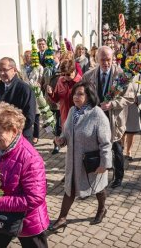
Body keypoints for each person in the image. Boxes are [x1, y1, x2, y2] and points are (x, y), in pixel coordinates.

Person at [0, 102, 49, 248]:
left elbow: (34, 198)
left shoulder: (30, 158)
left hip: (29, 220)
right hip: (1, 216)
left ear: (13, 130)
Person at [48, 81, 113, 232]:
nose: (76, 97)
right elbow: (67, 134)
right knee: (69, 188)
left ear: (89, 96)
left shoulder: (97, 114)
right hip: (73, 161)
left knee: (98, 187)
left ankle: (102, 209)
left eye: (80, 94)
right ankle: (62, 218)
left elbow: (106, 143)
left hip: (91, 162)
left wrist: (104, 163)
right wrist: (61, 140)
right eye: (75, 94)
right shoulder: (72, 111)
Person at [81, 46, 135, 188]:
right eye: (102, 60)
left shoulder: (122, 75)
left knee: (116, 149)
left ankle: (118, 177)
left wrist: (113, 104)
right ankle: (95, 177)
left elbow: (129, 98)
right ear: (96, 59)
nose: (106, 63)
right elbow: (83, 96)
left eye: (108, 59)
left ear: (113, 58)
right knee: (95, 148)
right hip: (95, 119)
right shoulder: (88, 76)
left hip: (114, 119)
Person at [0, 57, 36, 143]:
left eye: (5, 70)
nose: (1, 73)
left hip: (20, 137)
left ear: (14, 70)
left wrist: (11, 131)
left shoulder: (24, 89)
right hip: (2, 138)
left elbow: (29, 118)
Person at [46, 58, 82, 127]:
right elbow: (56, 99)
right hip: (64, 117)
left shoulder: (80, 81)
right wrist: (50, 93)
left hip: (78, 118)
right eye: (63, 74)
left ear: (74, 71)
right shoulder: (60, 80)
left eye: (68, 74)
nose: (66, 77)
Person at [122, 73, 141, 160]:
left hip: (133, 107)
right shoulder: (122, 72)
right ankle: (121, 148)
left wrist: (138, 99)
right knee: (121, 130)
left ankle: (128, 151)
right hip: (121, 107)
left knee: (131, 131)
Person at [21, 50, 43, 144]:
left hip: (35, 93)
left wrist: (38, 85)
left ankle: (36, 135)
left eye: (29, 56)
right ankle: (26, 133)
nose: (27, 58)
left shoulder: (38, 67)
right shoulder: (22, 67)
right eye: (25, 56)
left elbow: (41, 80)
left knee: (36, 115)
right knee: (26, 114)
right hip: (25, 93)